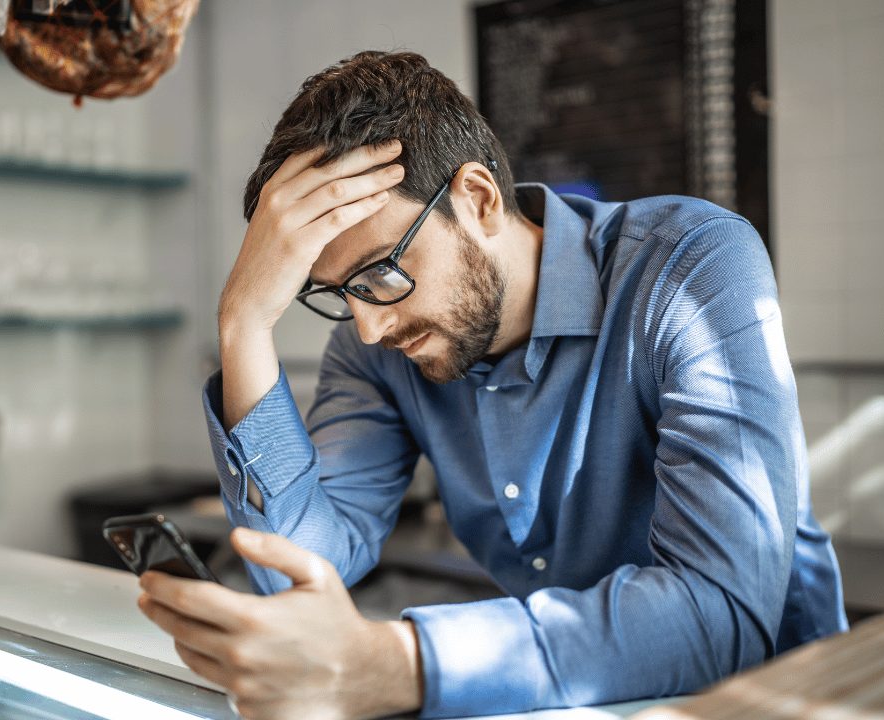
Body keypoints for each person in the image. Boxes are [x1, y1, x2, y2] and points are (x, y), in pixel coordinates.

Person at [136, 50, 847, 720]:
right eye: (334, 292)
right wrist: (244, 324)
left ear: (476, 200)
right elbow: (298, 567)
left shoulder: (690, 267)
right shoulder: (372, 351)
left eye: (382, 273)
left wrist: (394, 663)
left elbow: (721, 614)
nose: (370, 327)